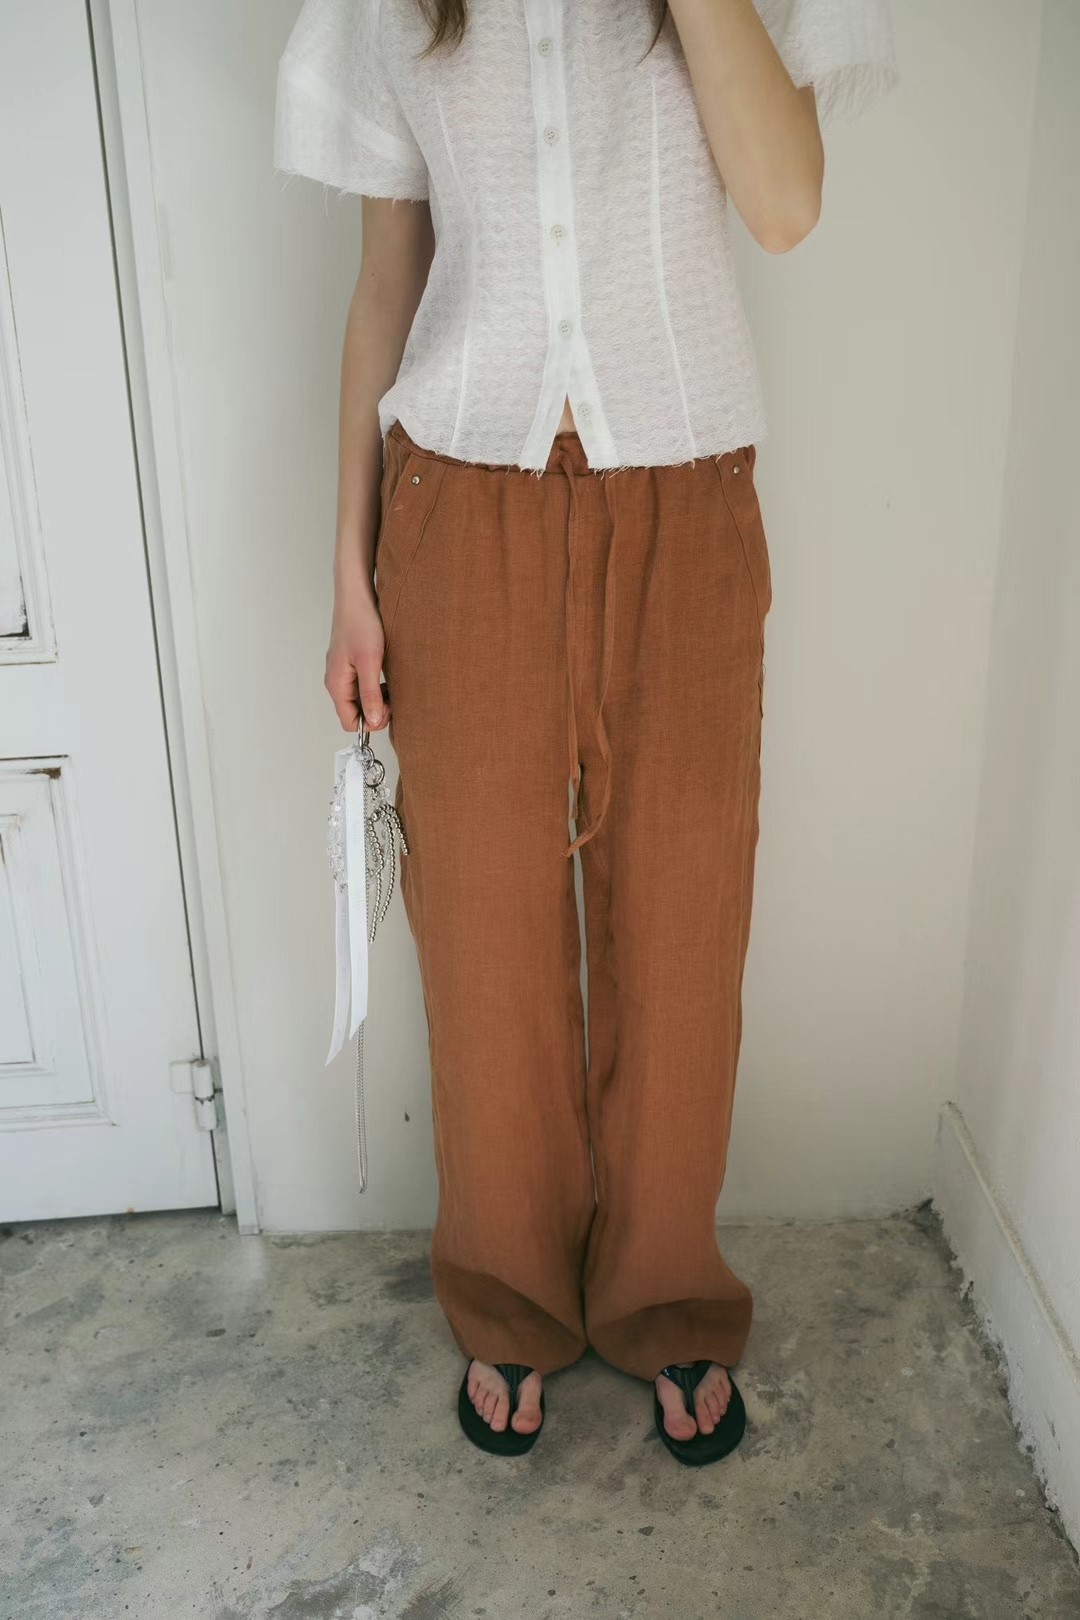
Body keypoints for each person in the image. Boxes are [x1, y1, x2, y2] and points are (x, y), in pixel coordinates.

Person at [275, 0, 897, 1464]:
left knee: (684, 925)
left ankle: (666, 1295)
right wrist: (349, 574)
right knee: (482, 940)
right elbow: (385, 282)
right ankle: (508, 1295)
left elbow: (787, 205)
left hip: (686, 497)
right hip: (457, 501)